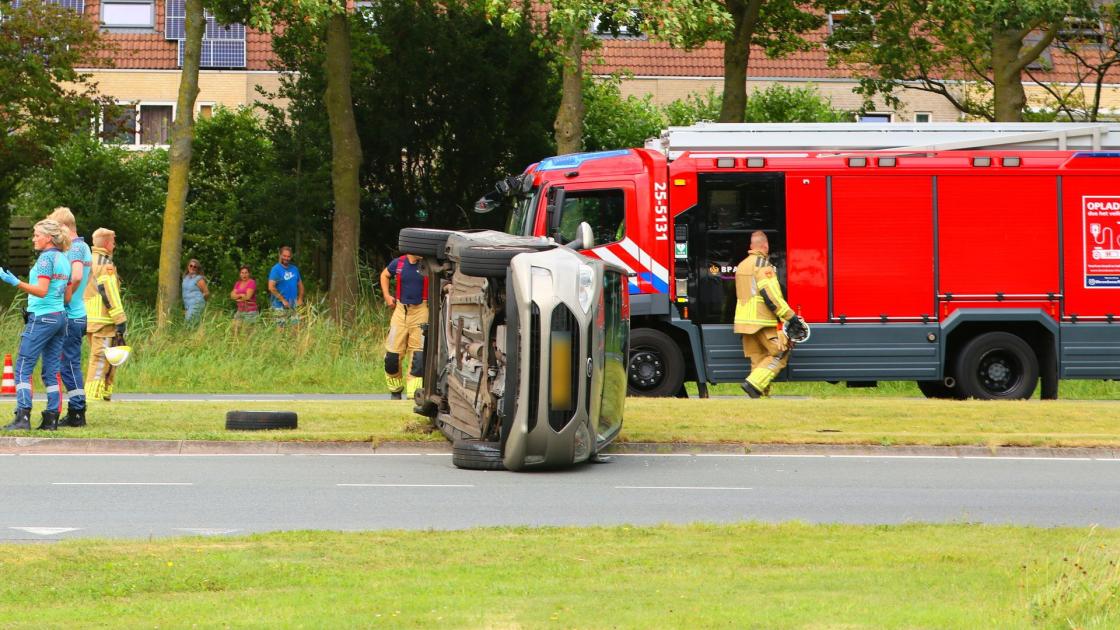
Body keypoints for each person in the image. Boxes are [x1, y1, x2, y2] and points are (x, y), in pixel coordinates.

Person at [0, 219, 72, 431]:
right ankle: (51, 418)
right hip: (59, 317)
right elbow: (67, 296)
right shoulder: (64, 259)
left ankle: (23, 416)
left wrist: (16, 283)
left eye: (36, 234)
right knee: (51, 371)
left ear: (48, 238)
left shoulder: (44, 260)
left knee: (23, 367)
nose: (33, 238)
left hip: (42, 317)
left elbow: (41, 290)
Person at [734, 230, 795, 398]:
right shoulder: (762, 265)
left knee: (758, 359)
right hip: (761, 321)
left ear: (751, 246)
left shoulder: (742, 265)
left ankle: (760, 396)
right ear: (765, 246)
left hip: (744, 322)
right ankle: (753, 385)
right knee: (781, 353)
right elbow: (772, 295)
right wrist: (790, 316)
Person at [47, 207, 92, 428]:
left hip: (72, 315)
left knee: (69, 365)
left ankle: (77, 411)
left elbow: (75, 276)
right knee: (68, 363)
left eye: (56, 230)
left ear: (65, 227)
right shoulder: (82, 247)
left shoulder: (75, 247)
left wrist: (63, 299)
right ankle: (75, 409)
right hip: (78, 313)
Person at [84, 228, 127, 402]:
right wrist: (120, 318)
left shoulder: (87, 260)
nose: (115, 245)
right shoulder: (105, 263)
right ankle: (94, 396)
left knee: (99, 358)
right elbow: (109, 292)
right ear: (108, 243)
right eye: (114, 242)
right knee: (101, 360)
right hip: (103, 320)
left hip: (89, 319)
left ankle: (102, 393)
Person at [380, 252, 427, 400]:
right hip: (400, 311)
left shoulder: (428, 265)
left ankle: (414, 396)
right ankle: (395, 391)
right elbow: (384, 275)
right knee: (392, 357)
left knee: (418, 359)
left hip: (421, 311)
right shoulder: (398, 263)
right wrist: (387, 296)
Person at [267, 246, 303, 326]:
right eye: (284, 256)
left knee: (296, 328)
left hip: (293, 305)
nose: (286, 258)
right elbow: (271, 287)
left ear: (291, 257)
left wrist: (300, 298)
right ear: (280, 255)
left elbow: (300, 285)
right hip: (278, 305)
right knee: (281, 329)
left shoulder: (294, 269)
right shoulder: (275, 269)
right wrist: (283, 300)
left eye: (288, 256)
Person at [230, 265, 259, 330]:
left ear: (249, 274)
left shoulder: (252, 282)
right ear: (240, 274)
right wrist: (241, 295)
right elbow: (232, 295)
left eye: (246, 272)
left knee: (247, 333)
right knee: (234, 329)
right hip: (240, 310)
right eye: (242, 273)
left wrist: (237, 296)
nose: (244, 275)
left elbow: (247, 297)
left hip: (250, 311)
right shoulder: (238, 283)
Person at [182, 258, 209, 323]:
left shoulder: (199, 279)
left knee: (189, 325)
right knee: (192, 325)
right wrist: (186, 308)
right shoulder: (185, 278)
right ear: (188, 266)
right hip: (187, 306)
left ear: (197, 269)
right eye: (191, 265)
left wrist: (199, 302)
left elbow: (207, 293)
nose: (192, 268)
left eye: (195, 267)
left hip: (196, 305)